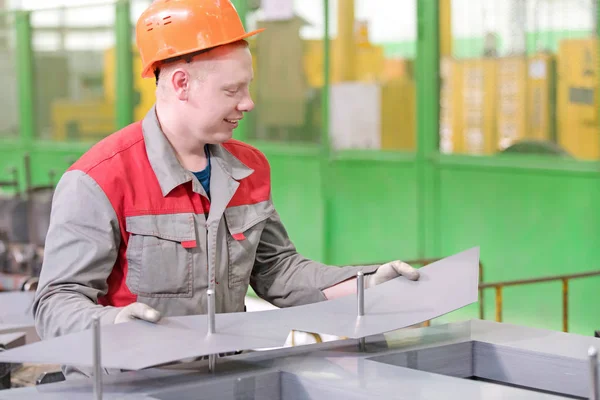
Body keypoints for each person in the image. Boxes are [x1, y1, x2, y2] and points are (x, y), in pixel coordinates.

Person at [33, 0, 420, 378]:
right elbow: (55, 301)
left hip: (227, 378)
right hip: (131, 384)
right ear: (181, 84)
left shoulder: (248, 169)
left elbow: (277, 271)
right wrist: (114, 322)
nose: (248, 103)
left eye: (247, 88)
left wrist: (365, 286)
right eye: (232, 91)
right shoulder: (99, 179)